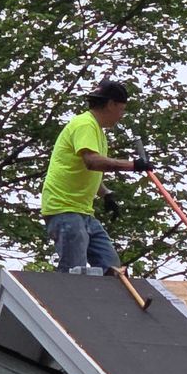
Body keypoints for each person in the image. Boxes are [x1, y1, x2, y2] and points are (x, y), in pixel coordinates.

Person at [39, 81, 148, 273]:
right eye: (122, 109)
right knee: (74, 271)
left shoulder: (97, 130)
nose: (121, 116)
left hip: (82, 212)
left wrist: (106, 194)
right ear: (111, 104)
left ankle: (106, 302)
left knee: (111, 267)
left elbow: (86, 169)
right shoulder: (85, 124)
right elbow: (93, 162)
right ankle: (65, 302)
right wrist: (133, 165)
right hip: (65, 209)